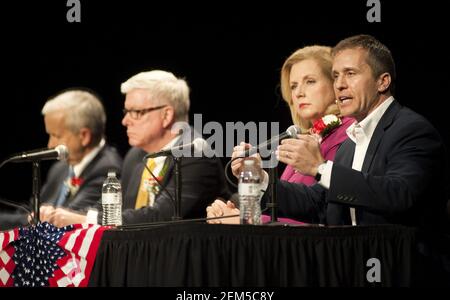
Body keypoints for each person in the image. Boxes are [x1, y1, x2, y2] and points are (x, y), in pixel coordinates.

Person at [214, 34, 448, 231]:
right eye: (336, 76)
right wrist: (259, 177)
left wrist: (320, 168)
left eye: (350, 74)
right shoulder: (352, 142)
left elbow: (399, 194)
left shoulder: (412, 130)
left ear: (382, 82)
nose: (340, 85)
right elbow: (319, 204)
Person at [47, 70, 230, 227]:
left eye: (136, 112)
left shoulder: (195, 153)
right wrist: (63, 215)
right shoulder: (136, 155)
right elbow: (112, 206)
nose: (125, 121)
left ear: (166, 115)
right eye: (126, 112)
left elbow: (160, 216)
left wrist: (85, 219)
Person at [207, 45, 354, 224]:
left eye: (310, 81)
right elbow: (282, 206)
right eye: (293, 86)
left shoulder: (347, 134)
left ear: (335, 84)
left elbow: (318, 212)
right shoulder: (305, 138)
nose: (299, 93)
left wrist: (244, 223)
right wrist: (250, 178)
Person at [0, 89, 123, 229]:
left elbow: (63, 221)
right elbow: (28, 212)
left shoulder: (107, 170)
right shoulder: (60, 168)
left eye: (56, 136)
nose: (50, 145)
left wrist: (35, 217)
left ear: (84, 136)